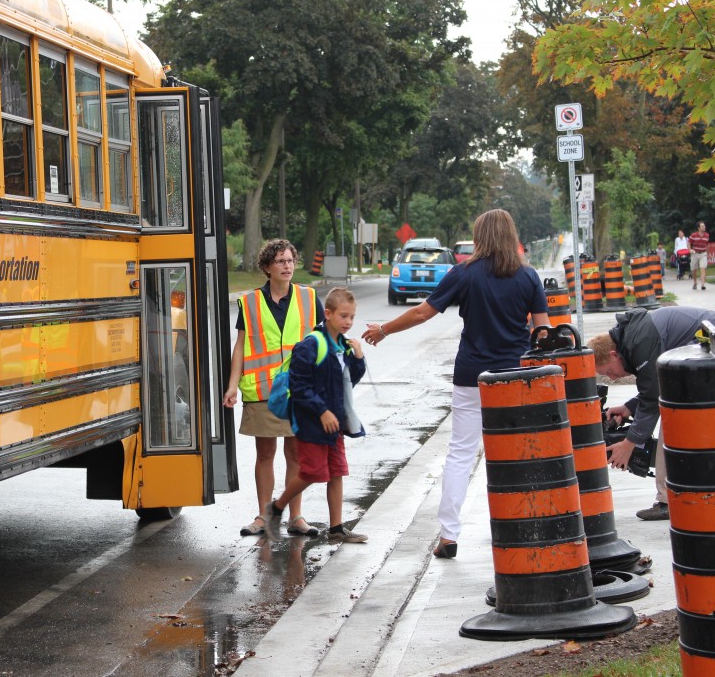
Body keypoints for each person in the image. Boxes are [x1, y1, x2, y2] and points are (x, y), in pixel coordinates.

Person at [361, 210, 549, 558]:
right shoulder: (528, 276)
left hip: (473, 377)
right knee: (523, 452)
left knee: (462, 453)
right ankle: (529, 525)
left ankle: (449, 535)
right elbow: (542, 332)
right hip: (517, 378)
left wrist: (384, 329)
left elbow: (422, 313)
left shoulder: (463, 274)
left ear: (479, 237)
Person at [588, 306, 715, 520]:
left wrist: (629, 444)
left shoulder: (640, 341)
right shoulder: (634, 337)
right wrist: (630, 407)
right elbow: (658, 385)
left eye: (609, 371)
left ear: (613, 354)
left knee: (674, 418)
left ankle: (667, 501)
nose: (612, 378)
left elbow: (653, 397)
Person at [223, 239, 324, 539]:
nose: (287, 266)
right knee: (265, 453)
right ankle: (263, 517)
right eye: (280, 261)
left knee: (295, 453)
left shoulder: (309, 298)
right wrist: (232, 386)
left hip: (299, 391)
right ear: (267, 267)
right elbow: (241, 346)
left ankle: (296, 517)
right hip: (262, 390)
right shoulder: (250, 302)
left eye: (290, 260)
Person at [264, 288, 368, 544]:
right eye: (344, 316)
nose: (348, 322)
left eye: (352, 317)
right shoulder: (310, 345)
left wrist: (358, 358)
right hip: (312, 423)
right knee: (313, 472)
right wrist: (321, 411)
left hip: (335, 423)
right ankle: (276, 508)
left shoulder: (341, 346)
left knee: (336, 472)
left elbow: (347, 382)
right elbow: (299, 387)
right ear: (329, 314)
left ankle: (337, 528)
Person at [688, 221, 710, 290]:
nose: (704, 227)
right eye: (702, 226)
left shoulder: (707, 235)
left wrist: (708, 253)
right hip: (695, 253)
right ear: (698, 228)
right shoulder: (693, 235)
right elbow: (688, 243)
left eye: (704, 226)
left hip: (703, 253)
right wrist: (690, 249)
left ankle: (703, 285)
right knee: (694, 269)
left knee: (703, 268)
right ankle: (695, 282)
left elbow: (707, 244)